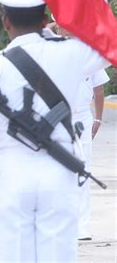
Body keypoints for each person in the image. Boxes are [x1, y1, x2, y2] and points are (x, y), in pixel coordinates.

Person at [0, 0, 109, 262]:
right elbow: (109, 41)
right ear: (45, 20)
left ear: (4, 21)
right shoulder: (72, 54)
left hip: (11, 178)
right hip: (59, 176)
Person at [51, 22, 110, 240]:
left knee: (82, 169)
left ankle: (82, 226)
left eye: (67, 26)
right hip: (58, 116)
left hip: (82, 116)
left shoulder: (88, 53)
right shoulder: (50, 53)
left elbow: (99, 88)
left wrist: (98, 117)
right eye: (60, 27)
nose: (64, 30)